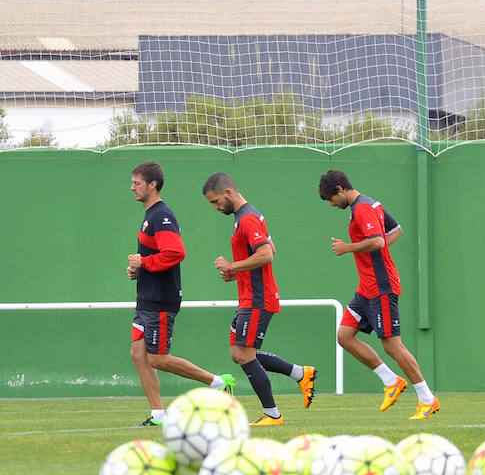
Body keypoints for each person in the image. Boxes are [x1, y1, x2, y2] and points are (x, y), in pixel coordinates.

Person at [318, 169, 440, 420]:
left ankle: (427, 399)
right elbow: (395, 230)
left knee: (392, 345)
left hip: (380, 286)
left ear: (340, 189)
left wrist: (348, 248)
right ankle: (391, 381)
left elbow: (378, 241)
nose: (331, 204)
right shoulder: (370, 203)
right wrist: (372, 251)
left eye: (331, 199)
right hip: (366, 288)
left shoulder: (363, 208)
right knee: (344, 335)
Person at [202, 172, 317, 426]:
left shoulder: (248, 218)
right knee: (238, 352)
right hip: (248, 297)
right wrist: (238, 271)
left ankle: (273, 414)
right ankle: (300, 373)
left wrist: (233, 265)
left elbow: (267, 255)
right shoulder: (246, 216)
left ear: (228, 193)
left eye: (216, 202)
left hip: (257, 298)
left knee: (244, 354)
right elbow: (270, 248)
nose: (216, 207)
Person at [127, 161, 235, 427]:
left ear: (153, 185)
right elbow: (155, 255)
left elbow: (176, 253)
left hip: (160, 299)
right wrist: (139, 270)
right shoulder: (149, 216)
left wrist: (144, 263)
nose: (132, 188)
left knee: (157, 358)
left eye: (137, 183)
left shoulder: (161, 215)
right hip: (146, 297)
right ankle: (158, 415)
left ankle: (218, 382)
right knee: (138, 354)